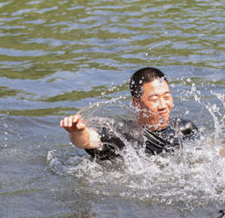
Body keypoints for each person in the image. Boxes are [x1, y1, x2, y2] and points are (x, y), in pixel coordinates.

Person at [60, 67, 197, 160]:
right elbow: (90, 141)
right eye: (154, 99)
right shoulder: (121, 133)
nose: (163, 105)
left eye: (167, 97)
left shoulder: (184, 128)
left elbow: (204, 152)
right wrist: (78, 132)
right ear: (136, 103)